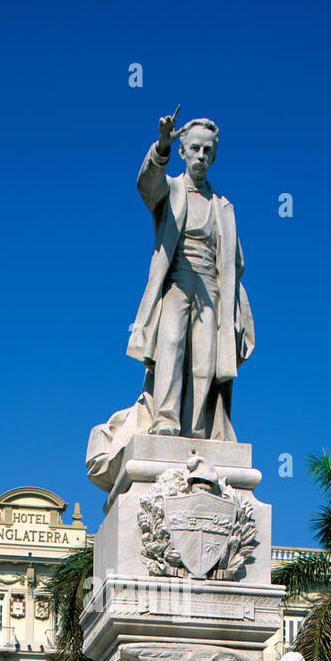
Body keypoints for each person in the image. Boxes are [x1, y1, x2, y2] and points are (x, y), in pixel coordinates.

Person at [127, 110, 254, 439]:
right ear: (182, 151)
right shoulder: (170, 190)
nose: (201, 155)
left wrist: (235, 308)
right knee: (171, 343)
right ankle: (166, 421)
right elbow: (146, 186)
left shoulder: (223, 206)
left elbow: (235, 263)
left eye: (207, 150)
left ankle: (197, 431)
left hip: (211, 290)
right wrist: (160, 149)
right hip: (178, 283)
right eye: (194, 148)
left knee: (205, 361)